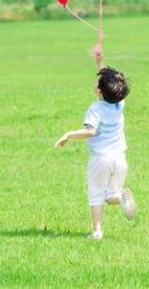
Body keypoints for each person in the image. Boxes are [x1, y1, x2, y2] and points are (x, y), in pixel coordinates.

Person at [54, 48, 135, 240]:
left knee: (96, 195)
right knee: (111, 197)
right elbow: (109, 84)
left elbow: (90, 131)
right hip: (119, 159)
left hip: (101, 160)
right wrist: (100, 62)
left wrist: (69, 134)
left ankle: (97, 232)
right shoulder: (119, 104)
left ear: (98, 91)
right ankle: (123, 199)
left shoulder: (96, 109)